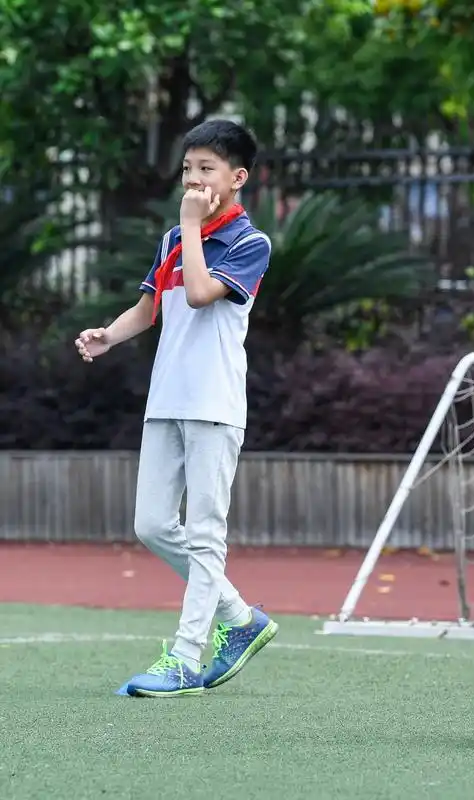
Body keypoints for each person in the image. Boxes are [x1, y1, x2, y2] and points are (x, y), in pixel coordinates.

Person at [74, 119, 277, 697]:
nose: (193, 180)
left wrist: (191, 225)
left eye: (206, 169)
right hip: (165, 400)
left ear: (237, 178)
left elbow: (198, 292)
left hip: (214, 404)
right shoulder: (171, 239)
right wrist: (108, 336)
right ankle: (242, 620)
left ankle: (188, 658)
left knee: (207, 534)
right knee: (152, 524)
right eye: (188, 169)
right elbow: (150, 308)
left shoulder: (249, 243)